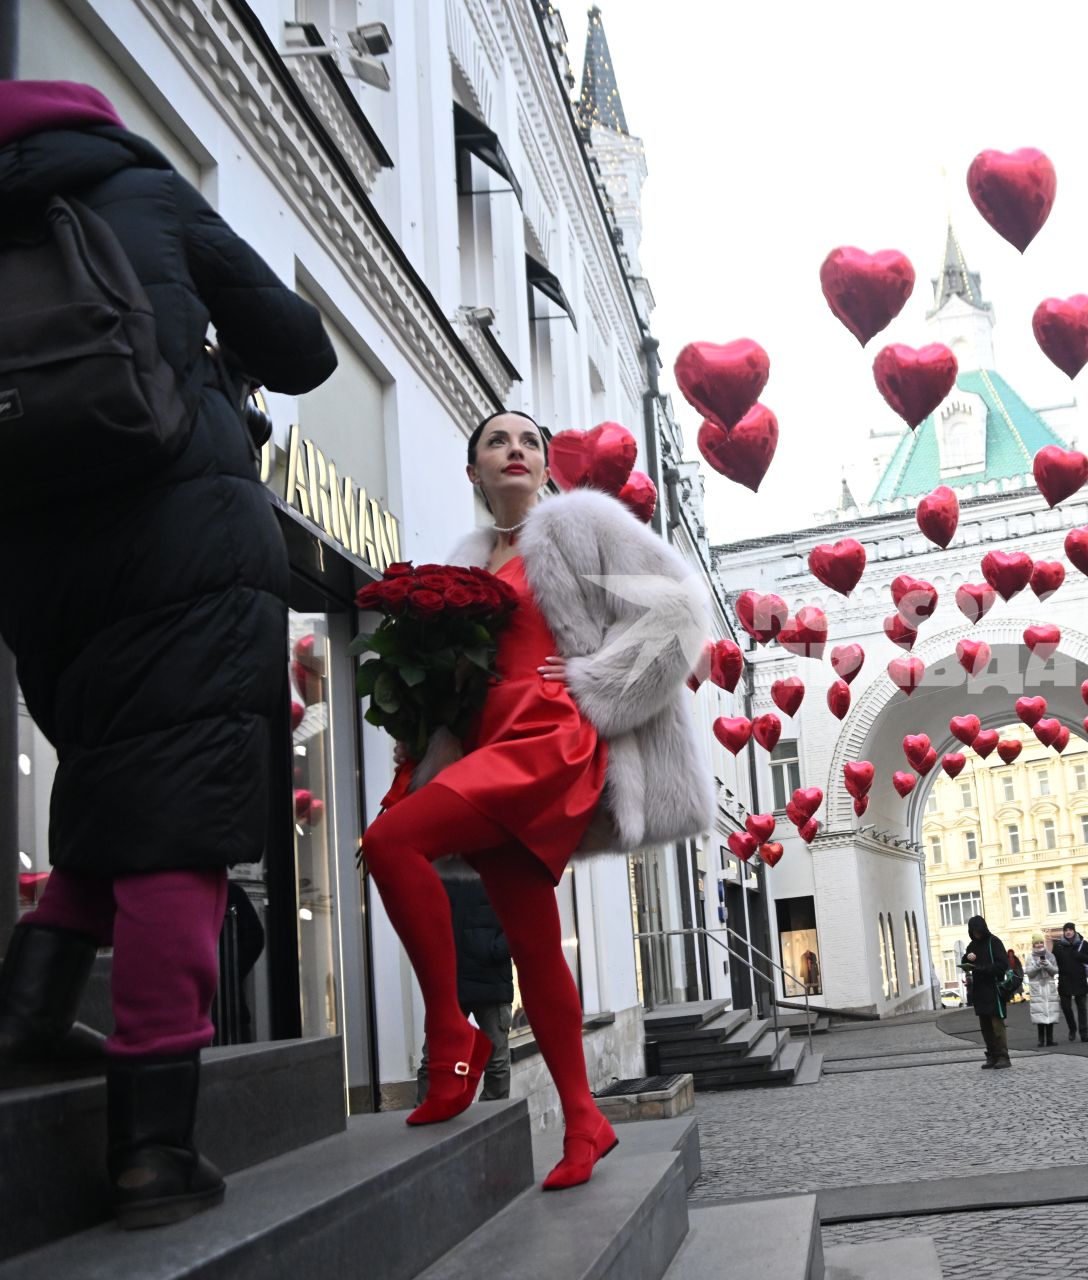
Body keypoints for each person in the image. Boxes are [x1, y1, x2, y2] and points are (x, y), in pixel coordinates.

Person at [0, 82, 336, 1229]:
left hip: (36, 560)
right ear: (89, 124)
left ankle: (26, 1017)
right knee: (183, 827)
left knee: (117, 778)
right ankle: (152, 1146)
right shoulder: (144, 188)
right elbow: (300, 354)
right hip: (182, 530)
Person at [360, 410, 711, 1191]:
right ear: (473, 471)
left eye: (529, 443)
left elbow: (681, 611)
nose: (515, 451)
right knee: (533, 941)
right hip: (488, 752)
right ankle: (585, 1117)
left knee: (390, 844)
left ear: (546, 467)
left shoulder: (581, 522)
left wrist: (598, 683)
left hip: (550, 738)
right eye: (497, 442)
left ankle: (455, 1038)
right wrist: (424, 738)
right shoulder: (465, 559)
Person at [416, 876, 514, 1104]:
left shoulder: (497, 871)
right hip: (449, 982)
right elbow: (424, 915)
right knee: (432, 1059)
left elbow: (521, 916)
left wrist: (494, 949)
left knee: (497, 1062)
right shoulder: (442, 869)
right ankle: (426, 1117)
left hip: (492, 982)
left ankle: (493, 1119)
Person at [960, 915, 1011, 1068]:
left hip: (993, 989)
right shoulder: (972, 945)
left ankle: (1003, 1056)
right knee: (985, 1027)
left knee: (997, 1025)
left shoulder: (994, 942)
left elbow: (1002, 964)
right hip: (980, 991)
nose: (976, 934)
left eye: (978, 931)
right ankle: (992, 1055)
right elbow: (965, 961)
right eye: (973, 931)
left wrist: (983, 969)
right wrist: (967, 958)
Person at [1051, 923, 1088, 1042]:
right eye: (1066, 930)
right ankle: (1072, 1029)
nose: (1068, 932)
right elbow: (1053, 962)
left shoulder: (1082, 944)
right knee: (1066, 1007)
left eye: (1070, 930)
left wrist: (1080, 956)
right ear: (1064, 932)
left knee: (1082, 1008)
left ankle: (1084, 1033)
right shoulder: (1058, 946)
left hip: (1079, 980)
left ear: (1074, 931)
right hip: (1064, 981)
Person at [1024, 935, 1061, 1046]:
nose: (1039, 944)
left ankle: (1050, 1039)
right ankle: (1041, 1040)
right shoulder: (1030, 957)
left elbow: (1055, 970)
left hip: (1049, 987)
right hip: (1037, 988)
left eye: (1041, 942)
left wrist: (1048, 965)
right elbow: (1029, 973)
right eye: (1037, 943)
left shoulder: (1050, 956)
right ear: (1033, 944)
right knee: (1039, 1014)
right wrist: (1037, 965)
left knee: (1050, 1013)